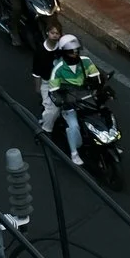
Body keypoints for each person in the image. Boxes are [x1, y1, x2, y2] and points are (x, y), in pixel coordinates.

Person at [43, 34, 96, 165]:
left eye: (77, 50)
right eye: (71, 51)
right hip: (69, 101)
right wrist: (61, 101)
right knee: (74, 126)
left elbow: (96, 76)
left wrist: (102, 87)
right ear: (64, 53)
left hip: (85, 97)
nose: (75, 53)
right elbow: (53, 90)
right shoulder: (58, 69)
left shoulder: (86, 61)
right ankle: (74, 153)